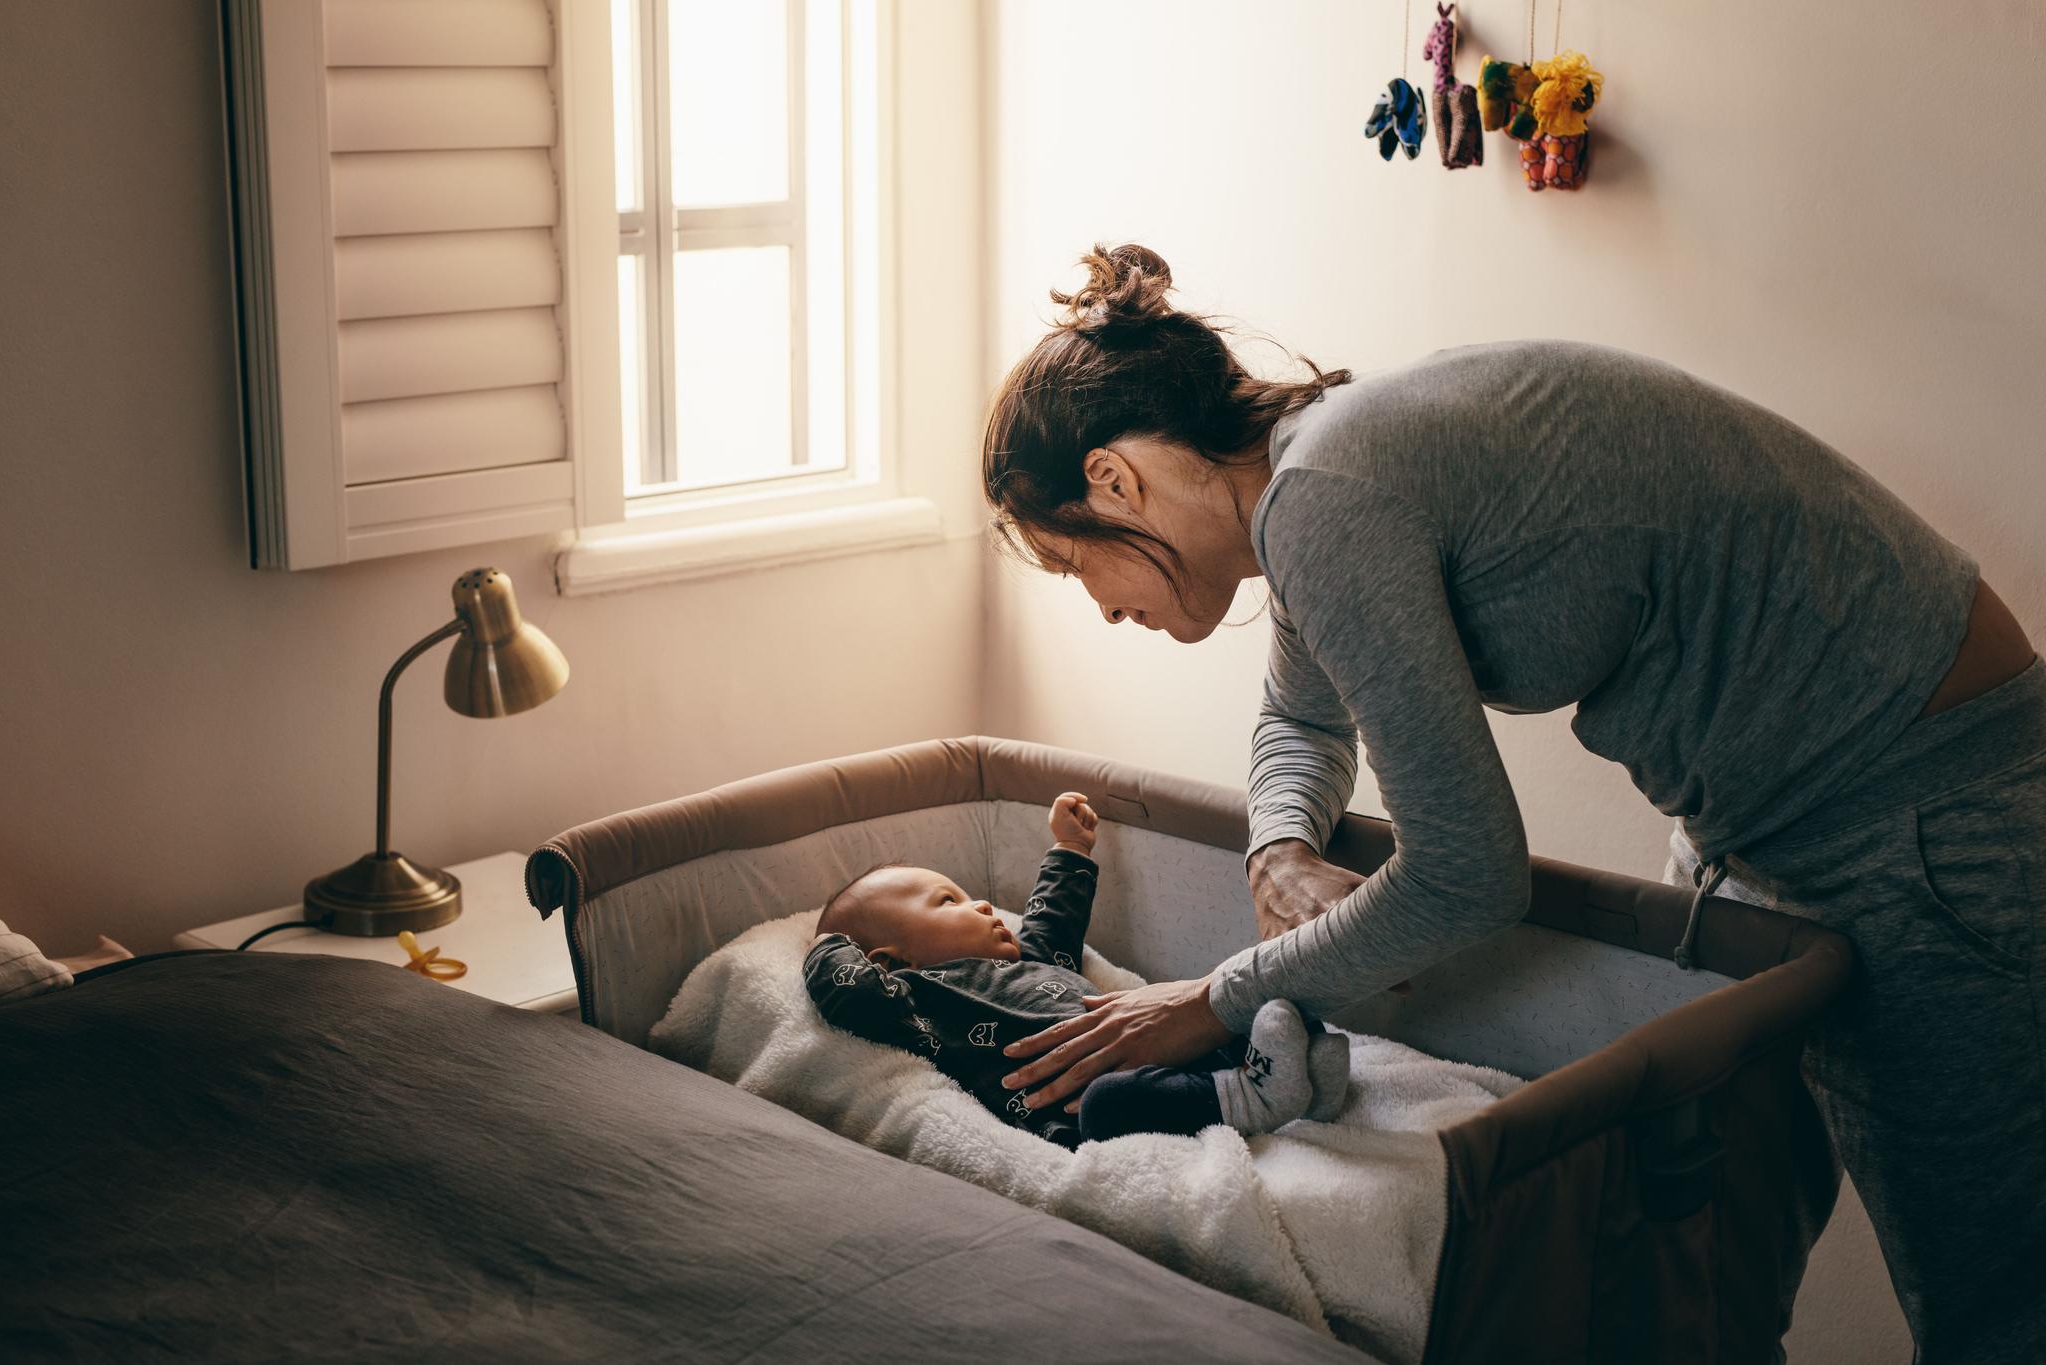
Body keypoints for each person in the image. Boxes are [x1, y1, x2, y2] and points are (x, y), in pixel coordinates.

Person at [980, 243, 2043, 1363]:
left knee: (1989, 1299)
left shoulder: (1324, 497)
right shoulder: (1309, 480)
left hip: (1917, 802)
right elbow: (1299, 721)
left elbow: (1467, 873)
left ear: (1112, 481)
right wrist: (1278, 845)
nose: (1098, 607)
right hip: (1757, 820)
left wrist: (1216, 999)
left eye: (1073, 567)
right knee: (1699, 1266)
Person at [803, 791, 1349, 1148]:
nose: (984, 906)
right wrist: (827, 943)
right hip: (1084, 1105)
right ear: (891, 961)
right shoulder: (919, 1001)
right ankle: (1251, 1096)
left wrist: (1069, 846)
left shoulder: (1028, 961)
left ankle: (1296, 1082)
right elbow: (849, 993)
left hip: (1156, 1045)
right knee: (1111, 1103)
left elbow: (1053, 924)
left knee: (1246, 1009)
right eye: (949, 902)